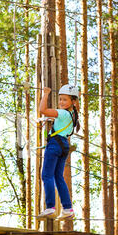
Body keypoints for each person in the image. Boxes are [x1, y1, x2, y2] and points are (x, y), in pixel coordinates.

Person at [38, 84, 80, 220]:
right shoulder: (72, 114)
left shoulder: (62, 113)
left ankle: (50, 207)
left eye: (64, 100)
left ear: (73, 102)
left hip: (55, 144)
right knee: (58, 177)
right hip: (64, 145)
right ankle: (67, 208)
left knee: (46, 175)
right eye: (60, 99)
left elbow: (42, 110)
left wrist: (46, 93)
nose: (61, 102)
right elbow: (60, 120)